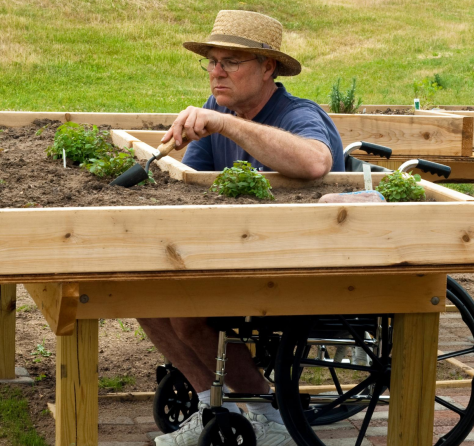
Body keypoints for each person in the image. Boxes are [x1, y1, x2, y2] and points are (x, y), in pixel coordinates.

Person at [137, 10, 344, 446]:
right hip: (240, 251)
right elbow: (189, 190)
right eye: (212, 62)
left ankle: (268, 415)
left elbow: (314, 161)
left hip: (305, 260)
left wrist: (226, 124)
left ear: (268, 68)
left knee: (186, 311)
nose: (216, 73)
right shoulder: (217, 111)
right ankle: (214, 406)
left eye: (230, 62)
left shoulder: (297, 114)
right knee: (142, 296)